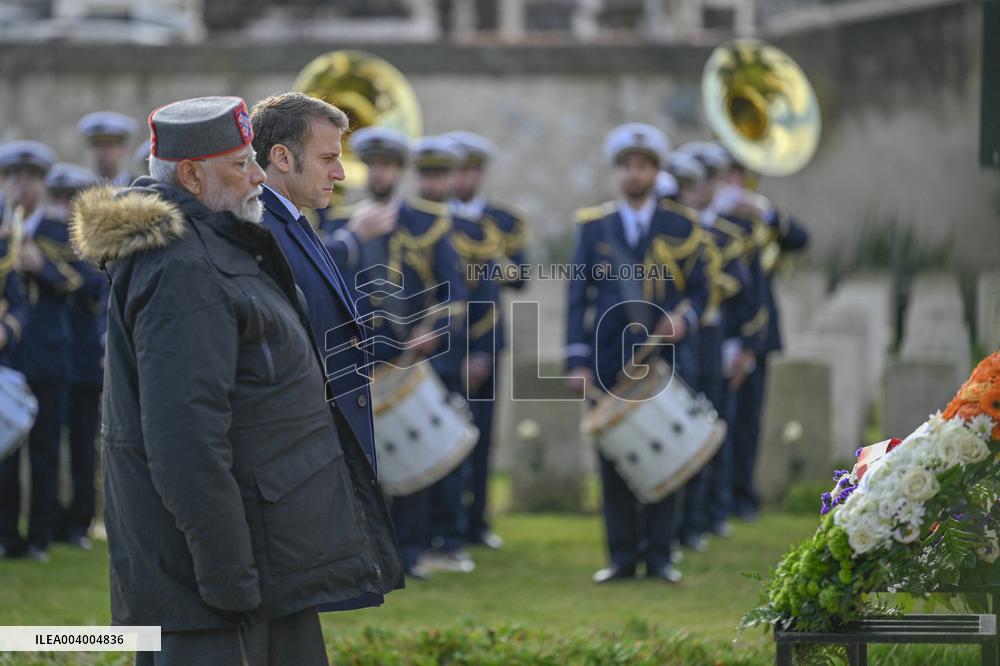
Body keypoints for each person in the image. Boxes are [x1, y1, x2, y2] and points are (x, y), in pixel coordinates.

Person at [69, 96, 401, 665]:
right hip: (224, 587)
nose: (256, 178)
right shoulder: (179, 267)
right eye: (240, 165)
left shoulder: (219, 241)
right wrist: (229, 579)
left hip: (266, 560)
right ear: (193, 175)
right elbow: (185, 440)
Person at [249, 92, 403, 611]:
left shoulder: (291, 217)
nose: (341, 173)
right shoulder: (263, 227)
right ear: (282, 158)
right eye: (329, 157)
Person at [565, 124, 709, 584]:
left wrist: (685, 319)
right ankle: (622, 556)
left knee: (664, 449)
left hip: (663, 356)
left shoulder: (682, 227)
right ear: (619, 172)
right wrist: (576, 360)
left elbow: (705, 289)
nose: (634, 174)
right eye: (627, 166)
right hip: (609, 356)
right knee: (614, 455)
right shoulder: (594, 227)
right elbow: (576, 297)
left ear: (656, 171)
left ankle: (661, 555)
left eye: (643, 166)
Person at [327, 128, 468, 580]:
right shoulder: (336, 224)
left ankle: (407, 555)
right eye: (376, 163)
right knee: (355, 464)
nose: (383, 172)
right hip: (351, 362)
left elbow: (454, 298)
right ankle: (359, 555)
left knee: (412, 460)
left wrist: (430, 333)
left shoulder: (430, 225)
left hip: (408, 362)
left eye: (390, 164)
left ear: (400, 170)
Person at [709, 145, 810, 521]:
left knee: (749, 419)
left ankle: (743, 496)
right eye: (725, 177)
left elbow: (800, 239)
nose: (732, 184)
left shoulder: (758, 221)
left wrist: (764, 211)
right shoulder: (706, 224)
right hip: (718, 332)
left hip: (759, 331)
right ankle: (715, 497)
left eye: (737, 176)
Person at [444, 130, 525, 550]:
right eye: (456, 171)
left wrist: (495, 264)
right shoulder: (434, 219)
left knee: (484, 432)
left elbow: (523, 276)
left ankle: (476, 523)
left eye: (470, 171)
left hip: (488, 340)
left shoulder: (503, 221)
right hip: (444, 342)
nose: (462, 179)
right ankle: (447, 524)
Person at [0, 141, 74, 564]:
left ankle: (41, 538)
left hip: (49, 356)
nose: (21, 187)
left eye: (30, 179)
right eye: (13, 178)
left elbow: (87, 285)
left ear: (43, 185)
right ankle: (7, 535)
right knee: (6, 453)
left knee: (45, 451)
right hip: (11, 358)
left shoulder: (58, 230)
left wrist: (40, 267)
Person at [39, 163, 103, 551]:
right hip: (48, 355)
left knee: (83, 446)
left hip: (83, 358)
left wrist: (52, 270)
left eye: (71, 197)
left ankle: (79, 522)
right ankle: (46, 521)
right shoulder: (40, 233)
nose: (64, 205)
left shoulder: (94, 239)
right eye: (59, 196)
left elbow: (94, 285)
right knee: (47, 446)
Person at [78, 111, 138, 186]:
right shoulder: (79, 188)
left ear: (123, 148)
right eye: (99, 144)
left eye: (110, 144)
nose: (104, 150)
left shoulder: (138, 187)